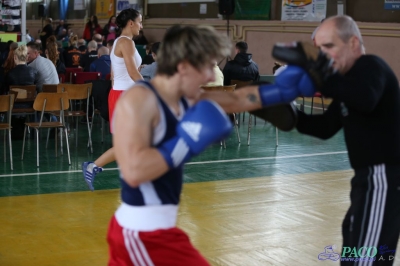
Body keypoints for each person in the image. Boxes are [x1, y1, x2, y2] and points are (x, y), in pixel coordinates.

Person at [108, 24, 316, 265]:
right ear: (183, 66)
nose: (210, 75)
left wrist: (285, 88)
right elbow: (134, 171)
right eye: (207, 66)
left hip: (159, 232)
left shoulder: (187, 96)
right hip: (140, 236)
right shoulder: (138, 100)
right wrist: (188, 139)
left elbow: (237, 98)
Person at [292, 15, 400, 265]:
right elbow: (325, 128)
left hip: (384, 178)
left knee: (365, 259)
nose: (323, 56)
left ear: (353, 44)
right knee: (353, 254)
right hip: (365, 180)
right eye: (318, 50)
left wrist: (322, 78)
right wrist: (288, 115)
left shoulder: (371, 67)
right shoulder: (346, 84)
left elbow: (365, 98)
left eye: (328, 47)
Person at [82, 8, 144, 191]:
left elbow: (117, 75)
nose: (142, 26)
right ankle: (93, 167)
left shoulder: (120, 41)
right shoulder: (126, 43)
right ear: (131, 23)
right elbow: (132, 72)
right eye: (140, 22)